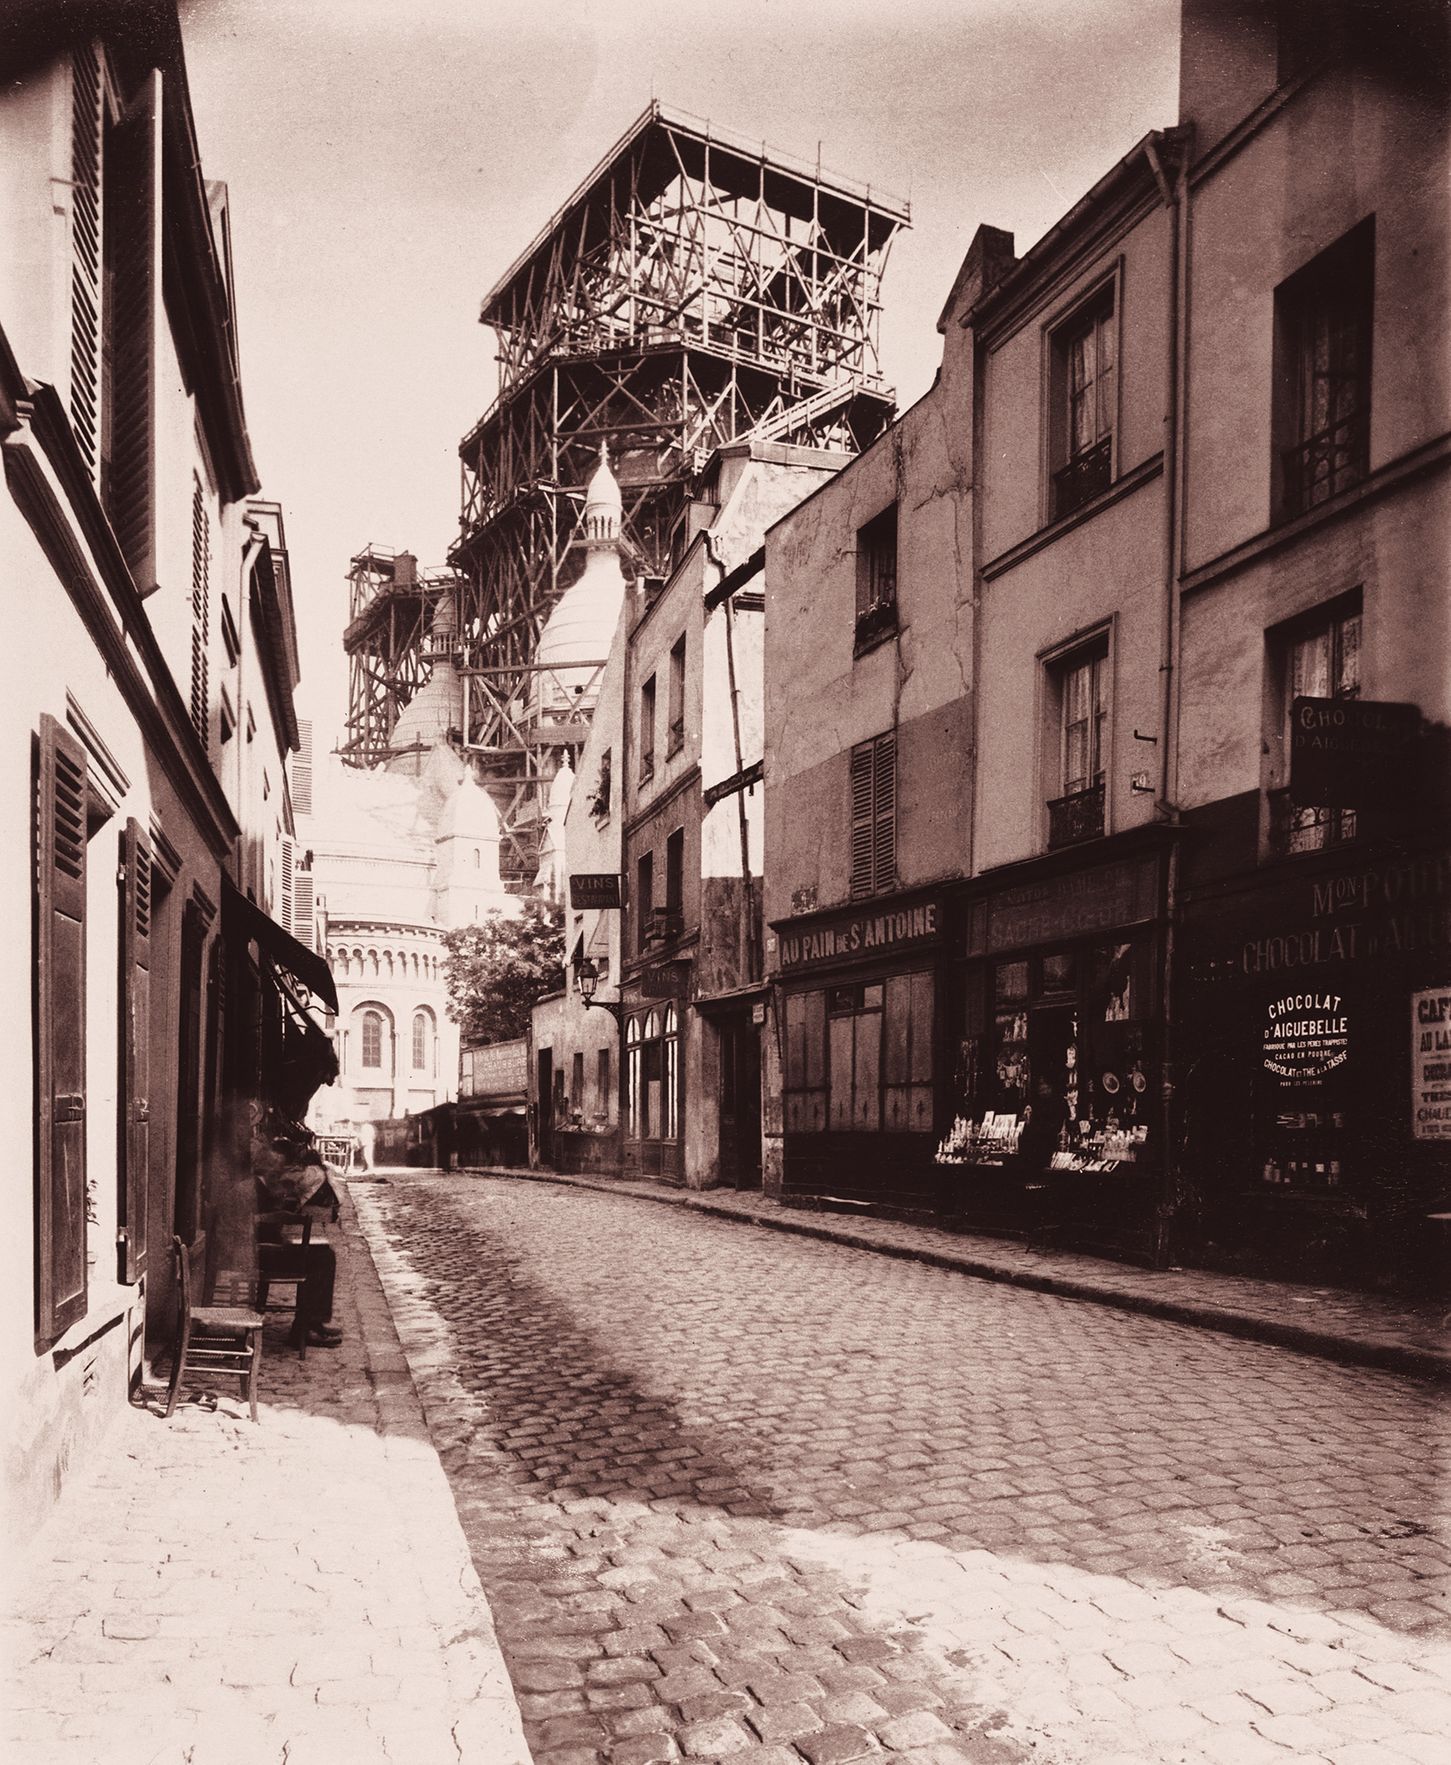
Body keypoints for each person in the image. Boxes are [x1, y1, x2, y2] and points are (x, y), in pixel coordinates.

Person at [252, 1106, 342, 1348]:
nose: (280, 1172)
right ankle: (307, 1326)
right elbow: (265, 1226)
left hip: (259, 1251)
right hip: (260, 1256)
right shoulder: (258, 1189)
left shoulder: (259, 1185)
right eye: (276, 1167)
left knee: (321, 1255)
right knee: (323, 1259)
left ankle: (310, 1323)